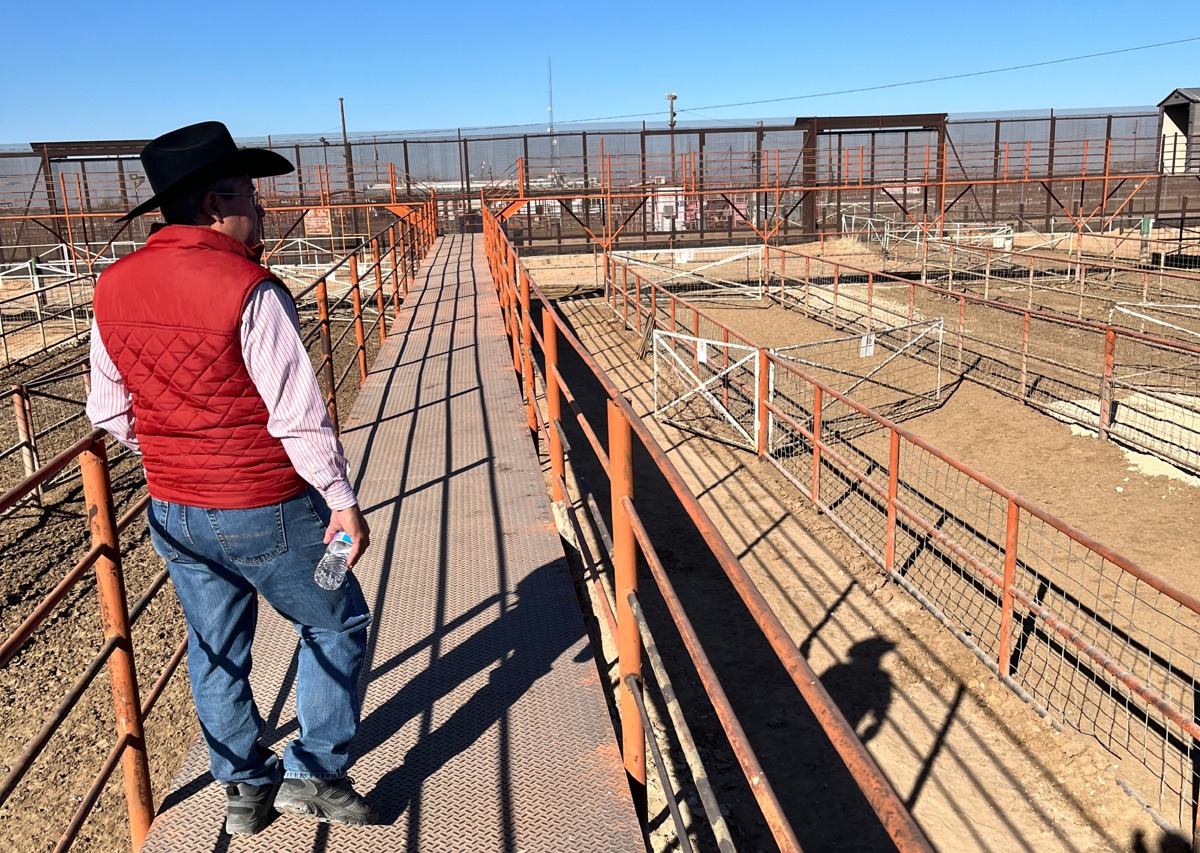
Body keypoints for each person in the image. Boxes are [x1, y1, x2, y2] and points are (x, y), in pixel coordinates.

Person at [86, 121, 377, 834]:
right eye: (252, 190)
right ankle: (314, 772)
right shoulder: (249, 287)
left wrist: (174, 452)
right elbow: (298, 417)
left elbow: (107, 410)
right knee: (337, 619)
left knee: (215, 646)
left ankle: (244, 788)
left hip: (174, 508)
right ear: (218, 202)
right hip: (264, 508)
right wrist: (341, 500)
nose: (263, 203)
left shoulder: (113, 286)